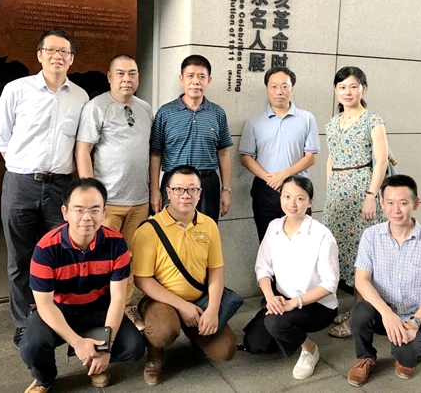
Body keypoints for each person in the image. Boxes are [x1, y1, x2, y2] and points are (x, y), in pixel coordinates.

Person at [0, 28, 89, 348]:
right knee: (20, 259)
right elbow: (2, 137)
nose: (57, 56)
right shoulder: (17, 89)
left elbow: (80, 144)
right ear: (39, 55)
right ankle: (23, 323)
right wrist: (23, 167)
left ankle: (59, 318)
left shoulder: (80, 97)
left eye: (64, 52)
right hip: (21, 184)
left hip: (60, 186)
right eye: (51, 50)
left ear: (72, 59)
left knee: (62, 254)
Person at [20, 178, 145, 393]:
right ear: (65, 212)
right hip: (59, 309)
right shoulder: (46, 249)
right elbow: (45, 305)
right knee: (32, 346)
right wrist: (77, 343)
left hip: (98, 309)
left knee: (134, 347)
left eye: (94, 210)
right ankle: (45, 379)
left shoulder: (117, 244)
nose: (87, 218)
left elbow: (117, 298)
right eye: (79, 210)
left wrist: (106, 347)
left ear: (104, 212)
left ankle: (94, 358)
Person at [132, 165, 237, 386]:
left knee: (226, 350)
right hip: (160, 301)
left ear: (200, 193)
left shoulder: (209, 225)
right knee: (162, 331)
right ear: (168, 192)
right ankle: (155, 354)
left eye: (192, 189)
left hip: (199, 300)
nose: (185, 195)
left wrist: (212, 310)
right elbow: (142, 279)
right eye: (179, 189)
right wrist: (181, 306)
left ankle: (196, 334)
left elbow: (216, 270)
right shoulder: (148, 230)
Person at [346, 175, 421, 387]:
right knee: (360, 313)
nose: (396, 210)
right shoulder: (370, 236)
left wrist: (414, 323)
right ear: (382, 203)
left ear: (415, 204)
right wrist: (387, 313)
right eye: (390, 202)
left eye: (403, 203)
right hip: (381, 311)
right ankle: (366, 357)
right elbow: (362, 280)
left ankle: (402, 354)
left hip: (415, 316)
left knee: (408, 357)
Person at [75, 54, 152, 332]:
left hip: (139, 200)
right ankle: (98, 310)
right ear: (109, 76)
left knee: (131, 257)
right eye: (120, 73)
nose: (126, 79)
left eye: (132, 73)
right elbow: (83, 150)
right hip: (108, 203)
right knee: (100, 257)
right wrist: (90, 197)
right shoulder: (96, 107)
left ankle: (127, 306)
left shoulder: (145, 108)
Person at [242, 176, 338, 379]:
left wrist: (294, 303)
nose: (292, 204)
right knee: (254, 344)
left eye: (300, 198)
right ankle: (287, 330)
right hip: (283, 298)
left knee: (274, 323)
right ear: (280, 198)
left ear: (310, 202)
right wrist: (270, 298)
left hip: (317, 305)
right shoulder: (274, 227)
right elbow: (262, 268)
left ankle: (309, 348)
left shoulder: (321, 235)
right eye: (286, 196)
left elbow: (330, 283)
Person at [322, 66, 389, 338]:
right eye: (342, 87)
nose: (347, 92)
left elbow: (381, 161)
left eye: (353, 86)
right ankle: (357, 308)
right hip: (338, 196)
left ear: (363, 88)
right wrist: (330, 191)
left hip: (363, 192)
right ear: (336, 90)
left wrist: (371, 196)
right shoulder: (331, 123)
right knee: (344, 255)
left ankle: (359, 320)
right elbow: (331, 158)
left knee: (364, 256)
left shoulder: (373, 120)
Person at [239, 67, 321, 242]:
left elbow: (310, 157)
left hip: (297, 189)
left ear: (292, 89)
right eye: (274, 86)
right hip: (265, 190)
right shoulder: (254, 121)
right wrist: (270, 179)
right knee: (267, 241)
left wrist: (284, 175)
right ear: (267, 89)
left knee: (300, 242)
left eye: (284, 86)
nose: (279, 92)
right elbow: (246, 158)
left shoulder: (307, 118)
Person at [149, 55, 233, 223]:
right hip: (174, 184)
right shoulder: (165, 113)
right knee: (171, 232)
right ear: (181, 79)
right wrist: (155, 190)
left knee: (205, 231)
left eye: (201, 77)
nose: (196, 82)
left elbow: (223, 153)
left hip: (207, 184)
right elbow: (155, 154)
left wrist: (226, 189)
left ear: (209, 80)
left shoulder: (217, 113)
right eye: (190, 76)